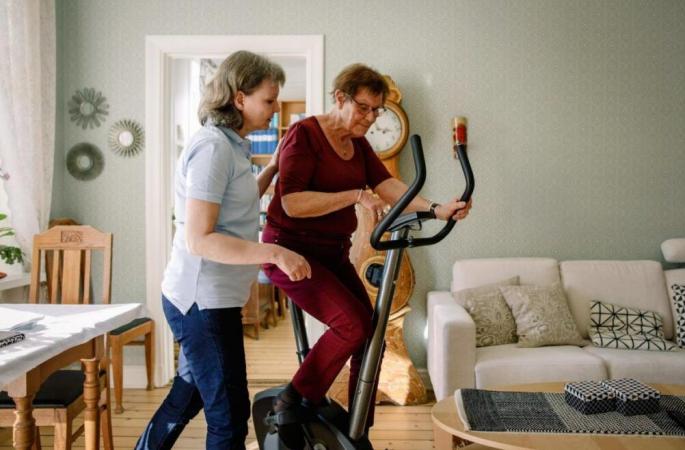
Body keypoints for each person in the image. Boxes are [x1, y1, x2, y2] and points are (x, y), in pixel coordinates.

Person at [262, 63, 472, 447]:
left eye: (376, 110)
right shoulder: (304, 135)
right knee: (353, 325)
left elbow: (389, 186)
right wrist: (354, 196)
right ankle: (290, 399)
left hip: (332, 252)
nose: (371, 118)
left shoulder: (358, 145)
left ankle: (359, 428)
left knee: (370, 336)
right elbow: (291, 203)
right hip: (289, 251)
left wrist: (437, 209)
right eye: (364, 108)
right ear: (339, 97)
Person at [135, 51, 311, 450]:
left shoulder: (235, 147)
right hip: (201, 302)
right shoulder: (213, 149)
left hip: (213, 299)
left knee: (190, 394)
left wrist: (276, 165)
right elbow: (200, 239)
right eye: (268, 100)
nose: (274, 108)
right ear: (239, 98)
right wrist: (276, 253)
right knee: (229, 418)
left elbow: (243, 196)